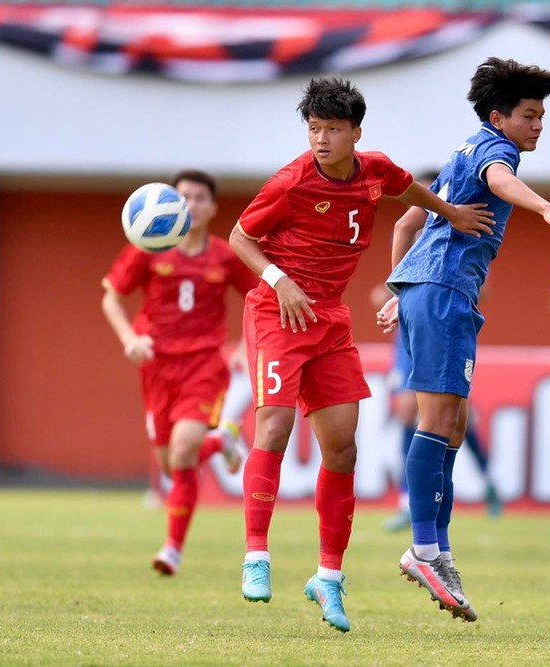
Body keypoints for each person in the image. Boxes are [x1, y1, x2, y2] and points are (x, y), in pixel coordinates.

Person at [229, 77, 493, 633]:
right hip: (278, 312)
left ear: (355, 132)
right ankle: (257, 554)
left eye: (331, 129)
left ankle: (327, 577)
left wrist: (451, 212)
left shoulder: (374, 170)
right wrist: (280, 281)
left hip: (330, 320)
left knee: (343, 449)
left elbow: (409, 192)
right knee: (273, 427)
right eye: (313, 129)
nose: (320, 139)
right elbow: (239, 237)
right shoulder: (291, 181)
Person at [378, 57, 550, 622]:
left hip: (433, 290)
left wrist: (400, 287)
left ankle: (437, 549)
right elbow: (499, 181)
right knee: (434, 420)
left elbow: (405, 224)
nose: (539, 125)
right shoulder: (494, 151)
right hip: (442, 292)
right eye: (530, 115)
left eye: (542, 116)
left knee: (453, 424)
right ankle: (423, 549)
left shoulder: (461, 149)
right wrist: (547, 208)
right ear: (499, 117)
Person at [101, 169, 258, 576]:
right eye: (184, 196)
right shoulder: (148, 246)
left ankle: (172, 548)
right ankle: (222, 439)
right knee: (172, 465)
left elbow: (258, 297)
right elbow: (111, 299)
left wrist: (244, 345)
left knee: (183, 449)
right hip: (156, 367)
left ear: (212, 208)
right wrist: (129, 339)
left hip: (204, 364)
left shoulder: (225, 255)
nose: (192, 203)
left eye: (200, 198)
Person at [371, 281, 501, 533]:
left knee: (458, 421)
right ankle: (406, 503)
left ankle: (488, 482)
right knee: (407, 414)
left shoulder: (455, 242)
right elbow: (385, 289)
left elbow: (481, 285)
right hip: (408, 340)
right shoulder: (407, 243)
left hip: (444, 329)